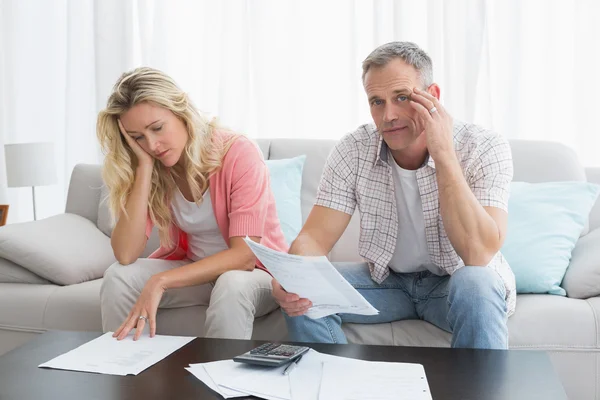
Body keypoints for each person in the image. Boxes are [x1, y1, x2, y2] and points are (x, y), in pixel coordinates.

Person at [272, 42, 515, 349]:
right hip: (387, 283)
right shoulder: (353, 149)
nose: (388, 115)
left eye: (402, 97)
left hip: (455, 284)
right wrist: (295, 273)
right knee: (306, 290)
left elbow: (479, 254)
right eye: (377, 101)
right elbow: (314, 239)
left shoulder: (484, 146)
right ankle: (334, 387)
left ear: (433, 96)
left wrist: (443, 154)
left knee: (478, 282)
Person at [97, 67, 288, 341]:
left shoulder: (237, 152)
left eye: (157, 128)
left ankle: (218, 381)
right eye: (138, 137)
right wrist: (144, 169)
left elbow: (244, 256)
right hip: (196, 271)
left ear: (181, 110)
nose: (152, 144)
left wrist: (160, 281)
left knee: (231, 283)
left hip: (255, 274)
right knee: (118, 276)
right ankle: (122, 372)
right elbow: (125, 254)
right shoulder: (156, 165)